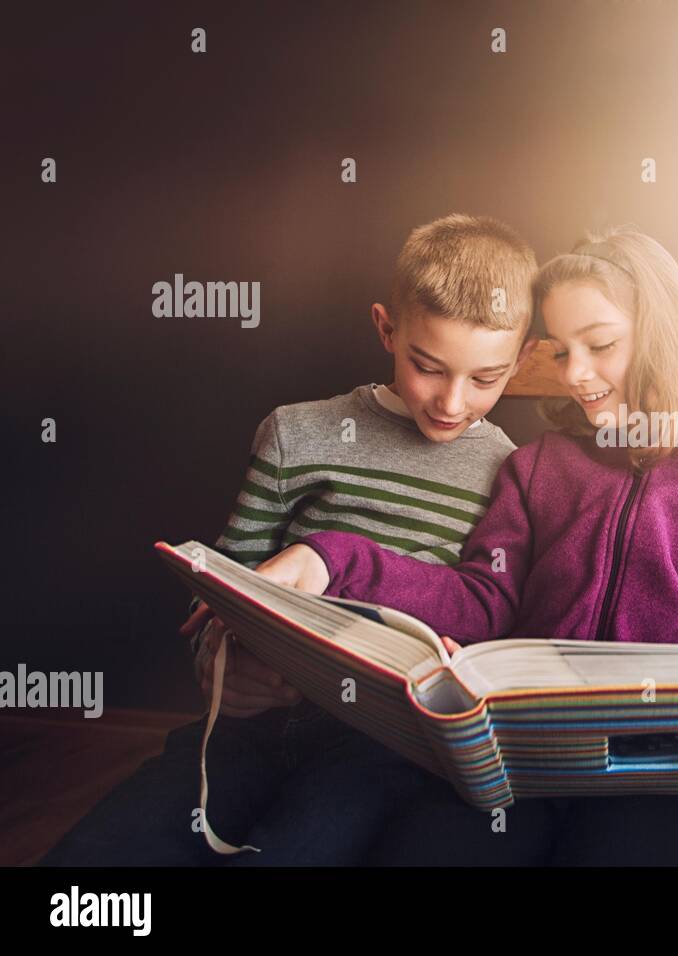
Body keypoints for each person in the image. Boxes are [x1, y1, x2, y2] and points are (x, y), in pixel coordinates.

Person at [256, 227, 678, 866]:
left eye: (600, 345)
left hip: (661, 786)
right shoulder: (536, 468)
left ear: (662, 334)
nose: (576, 374)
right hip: (516, 769)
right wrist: (334, 557)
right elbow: (482, 601)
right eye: (561, 351)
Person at [41, 214, 538, 865]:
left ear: (523, 360)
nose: (451, 401)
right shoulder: (295, 435)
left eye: (485, 379)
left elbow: (481, 620)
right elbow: (223, 590)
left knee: (298, 847)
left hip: (383, 748)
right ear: (387, 328)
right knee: (100, 855)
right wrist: (223, 671)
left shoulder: (510, 471)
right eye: (428, 367)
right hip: (255, 725)